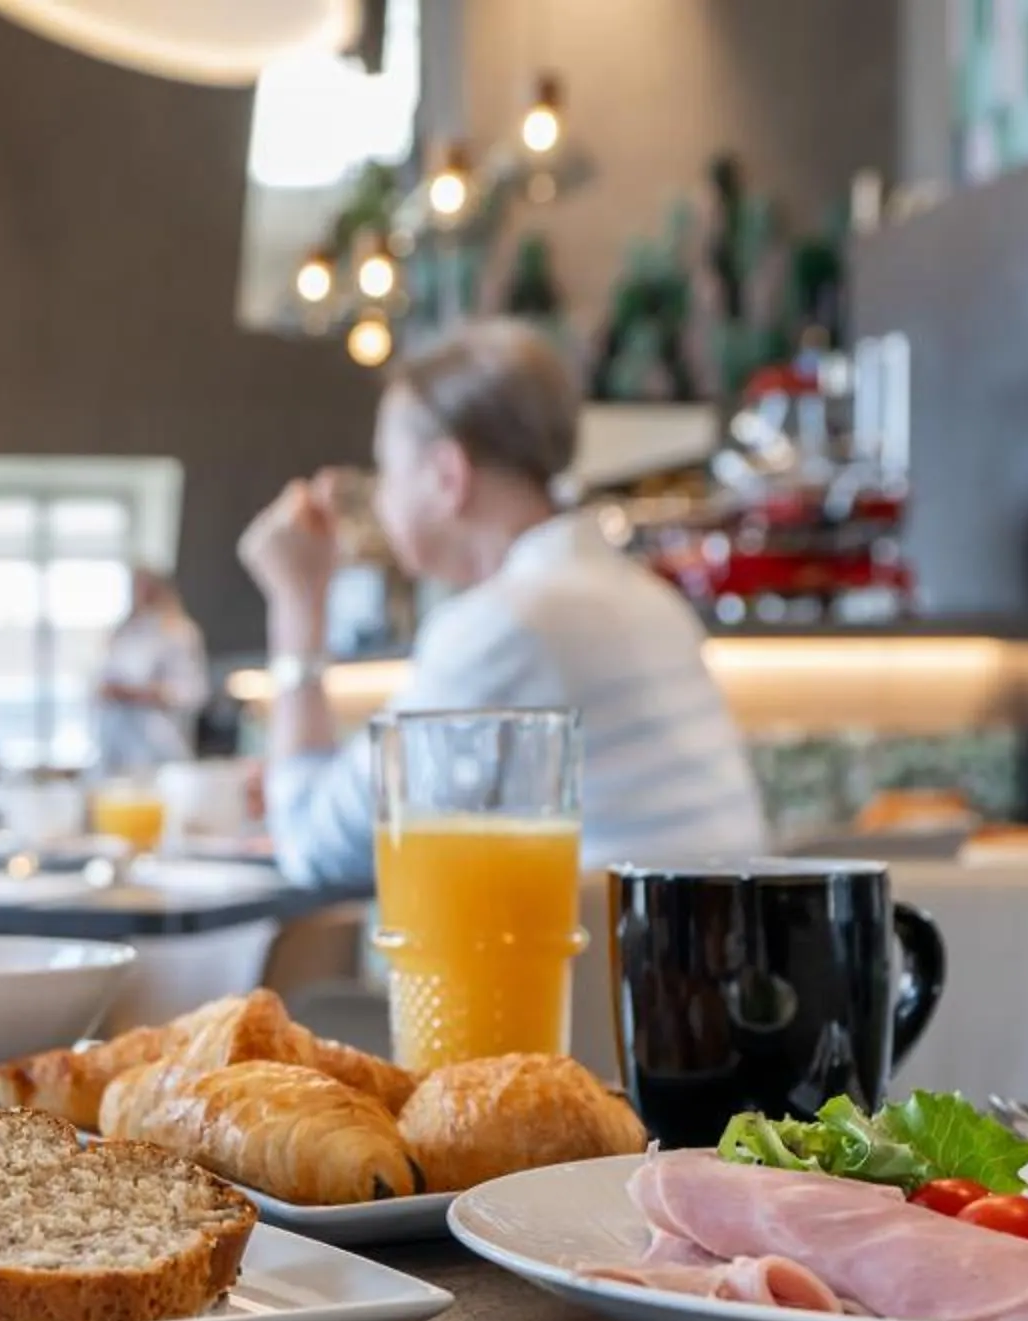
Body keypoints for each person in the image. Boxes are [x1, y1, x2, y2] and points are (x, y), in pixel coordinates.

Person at [241, 319, 767, 892]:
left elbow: (316, 849)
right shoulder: (648, 598)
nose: (382, 496)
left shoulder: (505, 625)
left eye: (387, 468)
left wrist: (297, 605)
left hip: (598, 976)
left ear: (447, 477)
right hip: (701, 962)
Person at [93, 568, 208, 773]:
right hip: (117, 748)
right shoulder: (122, 633)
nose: (141, 593)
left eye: (146, 586)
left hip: (161, 749)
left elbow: (194, 692)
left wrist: (145, 694)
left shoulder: (179, 632)